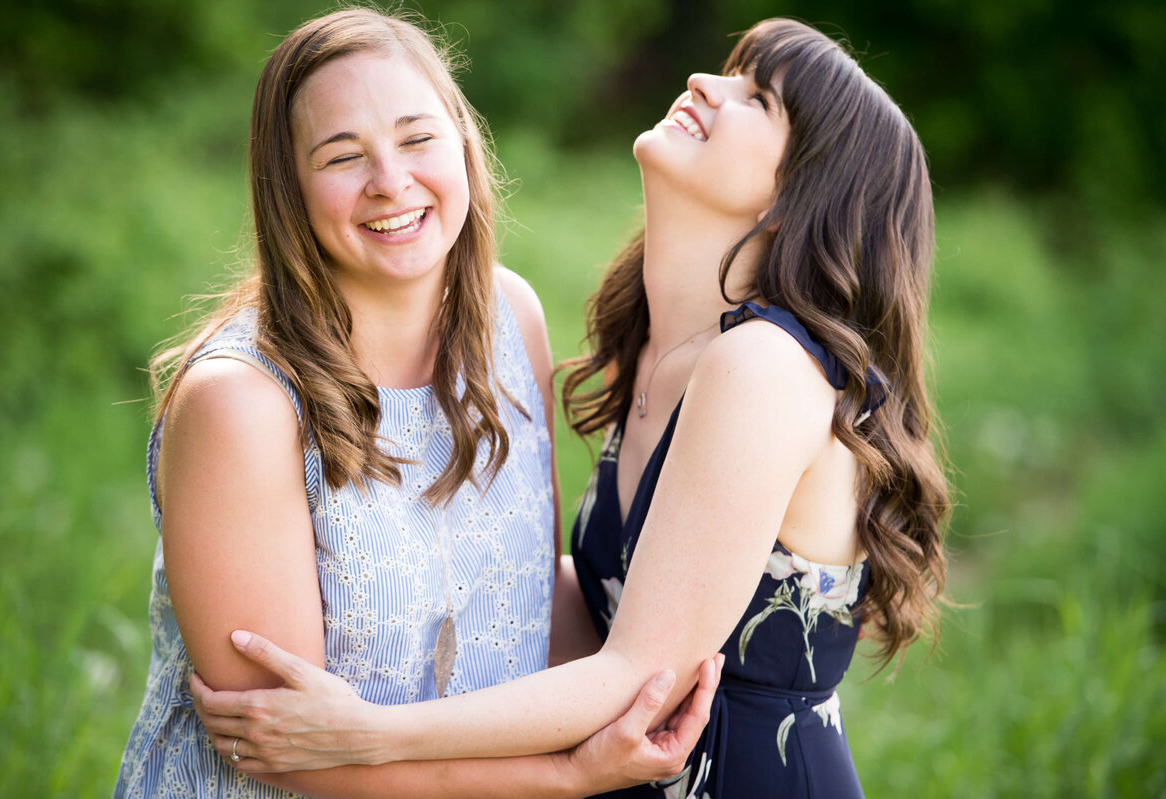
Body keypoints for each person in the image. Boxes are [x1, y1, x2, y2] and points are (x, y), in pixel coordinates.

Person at [190, 17, 951, 798]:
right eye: (728, 69)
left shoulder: (763, 367)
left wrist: (363, 732)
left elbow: (634, 670)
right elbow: (563, 598)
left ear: (803, 193)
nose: (704, 84)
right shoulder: (665, 349)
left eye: (756, 98)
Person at [114, 7, 720, 798]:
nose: (391, 181)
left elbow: (523, 599)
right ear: (287, 189)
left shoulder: (512, 323)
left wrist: (676, 643)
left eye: (416, 138)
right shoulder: (242, 403)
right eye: (342, 155)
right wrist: (567, 775)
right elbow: (286, 749)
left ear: (464, 145)